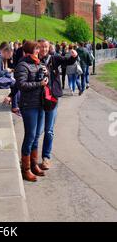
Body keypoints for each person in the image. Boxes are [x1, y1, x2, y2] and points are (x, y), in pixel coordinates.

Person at [37, 39, 78, 171]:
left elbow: (68, 61)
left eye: (46, 47)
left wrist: (74, 56)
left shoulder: (54, 58)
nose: (44, 49)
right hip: (37, 99)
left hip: (52, 98)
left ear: (49, 48)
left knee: (49, 130)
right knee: (37, 132)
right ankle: (31, 158)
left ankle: (46, 158)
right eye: (41, 47)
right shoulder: (33, 59)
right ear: (38, 47)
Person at [14, 41, 48, 182]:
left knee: (36, 137)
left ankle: (34, 165)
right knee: (30, 136)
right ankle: (26, 169)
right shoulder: (22, 65)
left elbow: (43, 81)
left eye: (38, 49)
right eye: (35, 49)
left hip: (40, 103)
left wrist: (46, 75)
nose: (38, 51)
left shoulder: (38, 63)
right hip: (29, 105)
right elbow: (22, 85)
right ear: (28, 51)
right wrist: (39, 83)